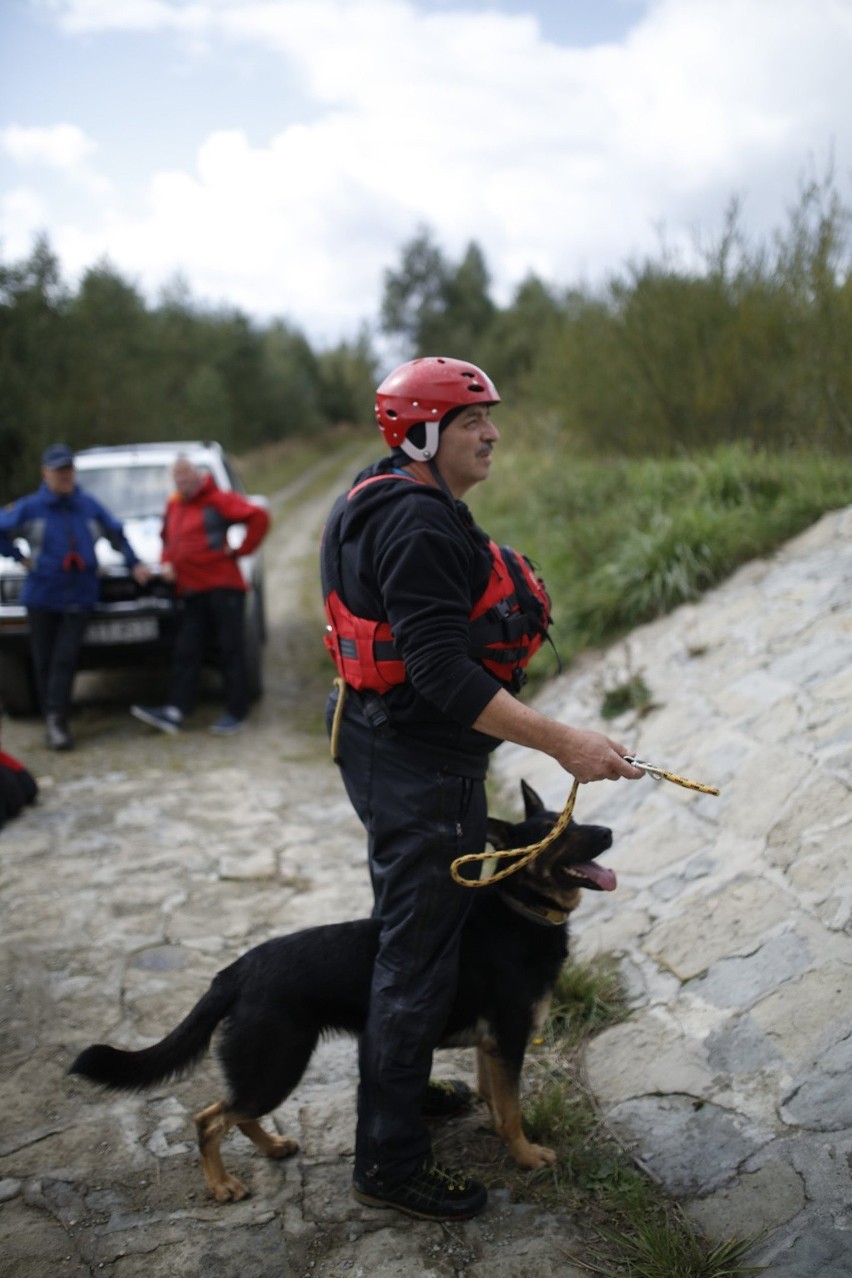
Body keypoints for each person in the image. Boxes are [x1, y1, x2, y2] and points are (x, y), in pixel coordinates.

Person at [320, 356, 644, 1222]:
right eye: (471, 421)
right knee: (418, 957)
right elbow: (438, 673)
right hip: (418, 764)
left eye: (488, 417)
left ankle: (403, 1084)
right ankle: (388, 1159)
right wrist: (565, 740)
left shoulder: (376, 489)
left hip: (382, 743)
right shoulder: (420, 527)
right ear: (423, 435)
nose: (492, 432)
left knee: (412, 932)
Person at [0, 444, 151, 750]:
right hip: (43, 596)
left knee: (65, 658)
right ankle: (54, 720)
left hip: (80, 596)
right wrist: (17, 556)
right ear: (46, 474)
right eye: (58, 471)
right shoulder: (31, 508)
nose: (64, 476)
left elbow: (116, 533)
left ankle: (57, 719)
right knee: (45, 661)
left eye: (68, 471)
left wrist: (134, 563)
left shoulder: (88, 506)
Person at [131, 456, 270, 738]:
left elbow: (258, 517)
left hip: (224, 588)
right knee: (187, 650)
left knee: (230, 650)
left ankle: (236, 711)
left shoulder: (217, 499)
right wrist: (168, 562)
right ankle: (174, 712)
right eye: (177, 478)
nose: (182, 482)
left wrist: (242, 549)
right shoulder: (173, 504)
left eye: (186, 477)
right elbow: (168, 540)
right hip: (191, 591)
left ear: (197, 476)